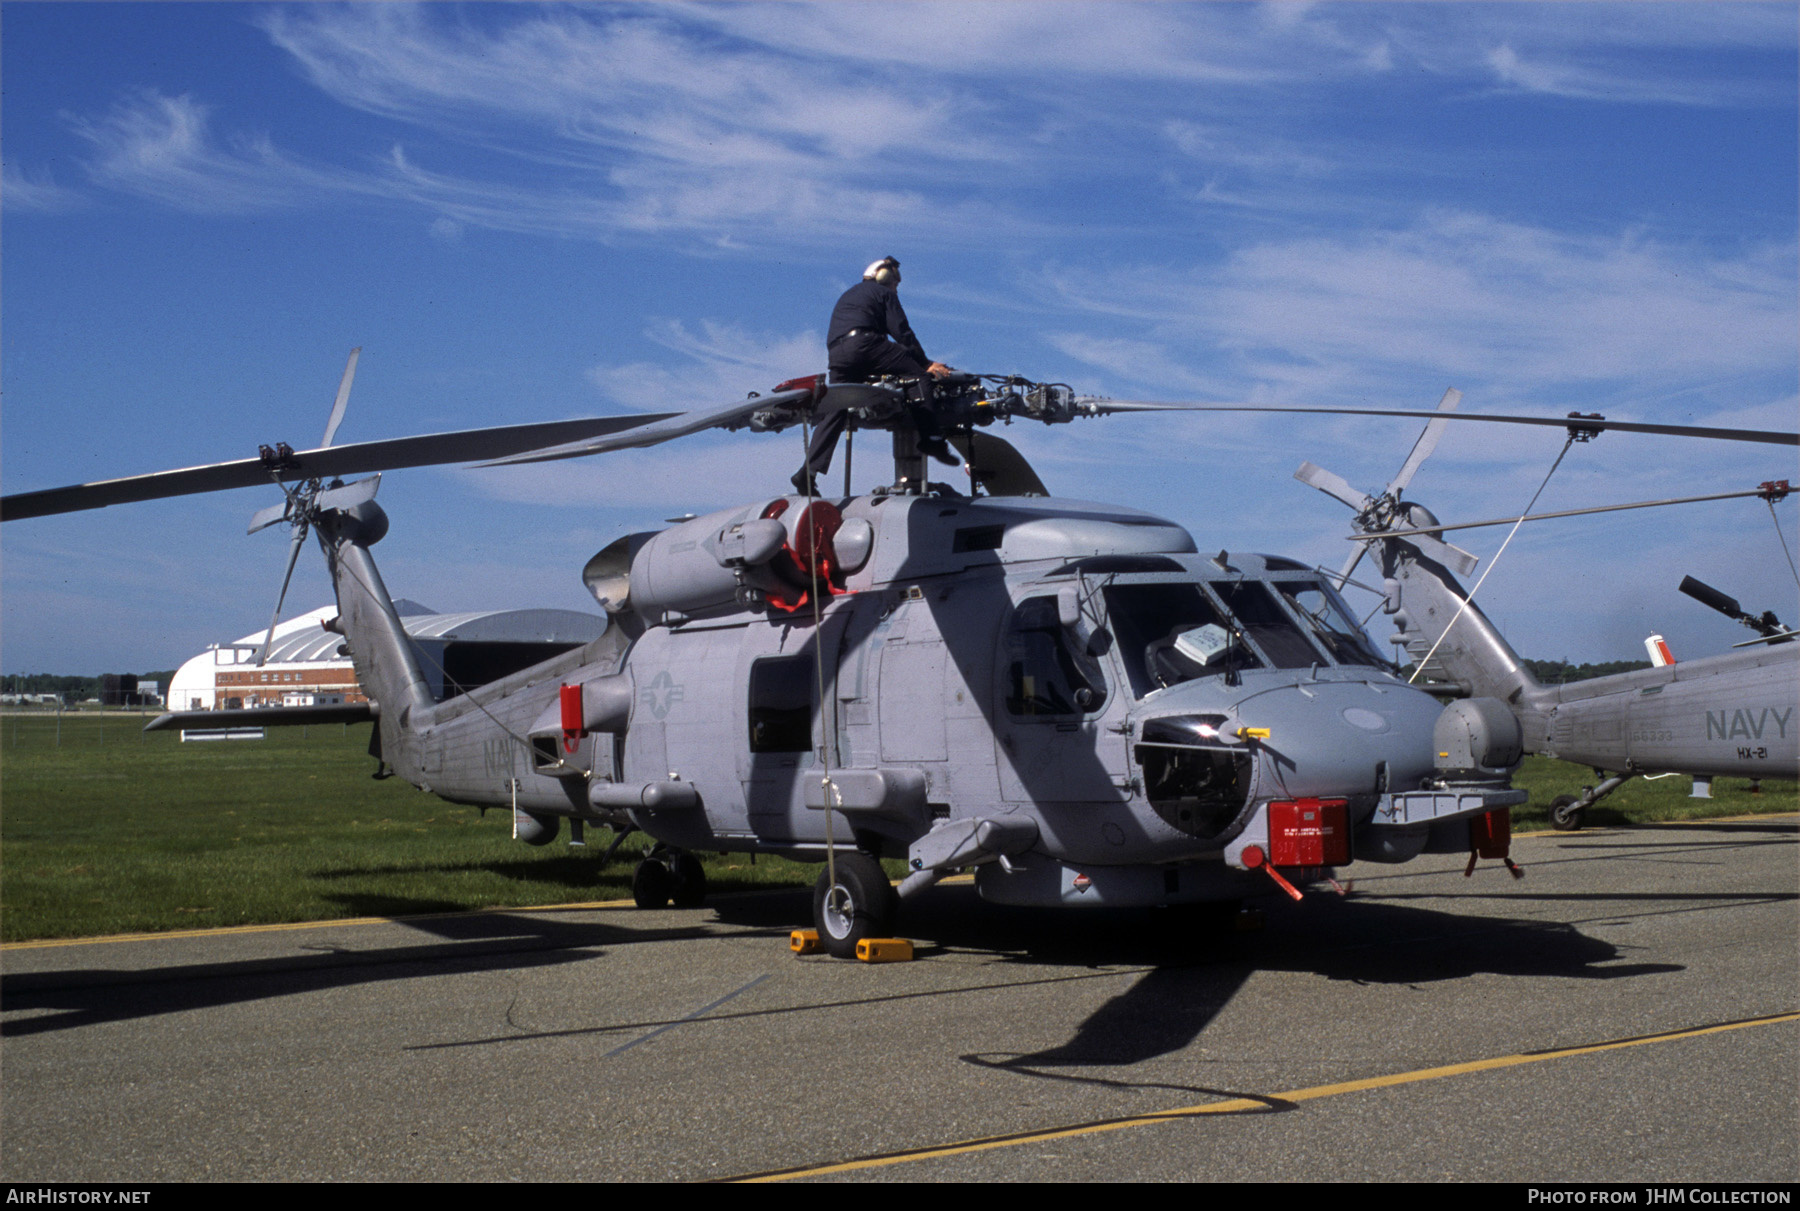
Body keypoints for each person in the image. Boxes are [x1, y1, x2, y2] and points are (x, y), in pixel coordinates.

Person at [794, 257, 955, 493]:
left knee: (837, 407)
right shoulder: (884, 293)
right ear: (884, 277)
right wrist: (926, 363)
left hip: (838, 353)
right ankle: (932, 440)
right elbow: (902, 333)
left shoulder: (850, 295)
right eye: (895, 281)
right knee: (918, 376)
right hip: (865, 345)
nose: (896, 286)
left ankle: (808, 471)